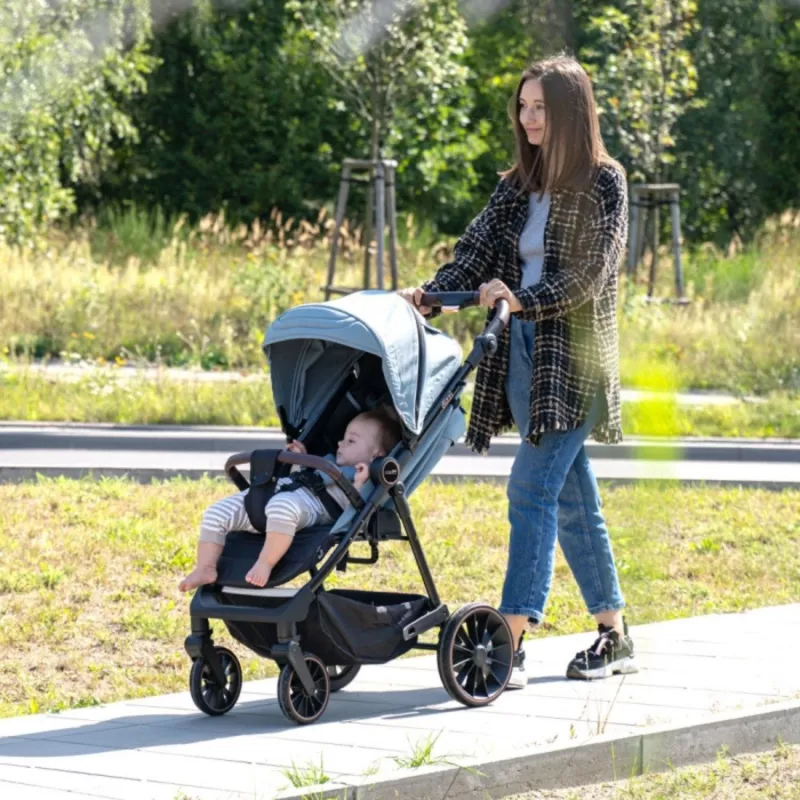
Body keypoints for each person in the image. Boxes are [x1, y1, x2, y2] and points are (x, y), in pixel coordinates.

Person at [399, 55, 635, 687]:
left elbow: (589, 276)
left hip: (573, 359)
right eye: (523, 108)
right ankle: (614, 635)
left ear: (571, 113)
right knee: (572, 498)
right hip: (521, 353)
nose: (529, 119)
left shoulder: (605, 183)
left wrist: (521, 298)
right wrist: (430, 294)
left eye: (541, 108)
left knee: (530, 490)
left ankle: (511, 636)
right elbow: (474, 254)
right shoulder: (515, 187)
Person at [178, 409, 401, 591]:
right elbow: (302, 478)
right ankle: (206, 567)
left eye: (351, 441)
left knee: (282, 507)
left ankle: (265, 562)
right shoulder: (328, 461)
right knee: (216, 512)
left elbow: (357, 510)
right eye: (342, 438)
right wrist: (300, 460)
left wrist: (361, 485)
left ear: (375, 455)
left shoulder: (365, 479)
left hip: (309, 507)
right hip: (275, 494)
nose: (340, 444)